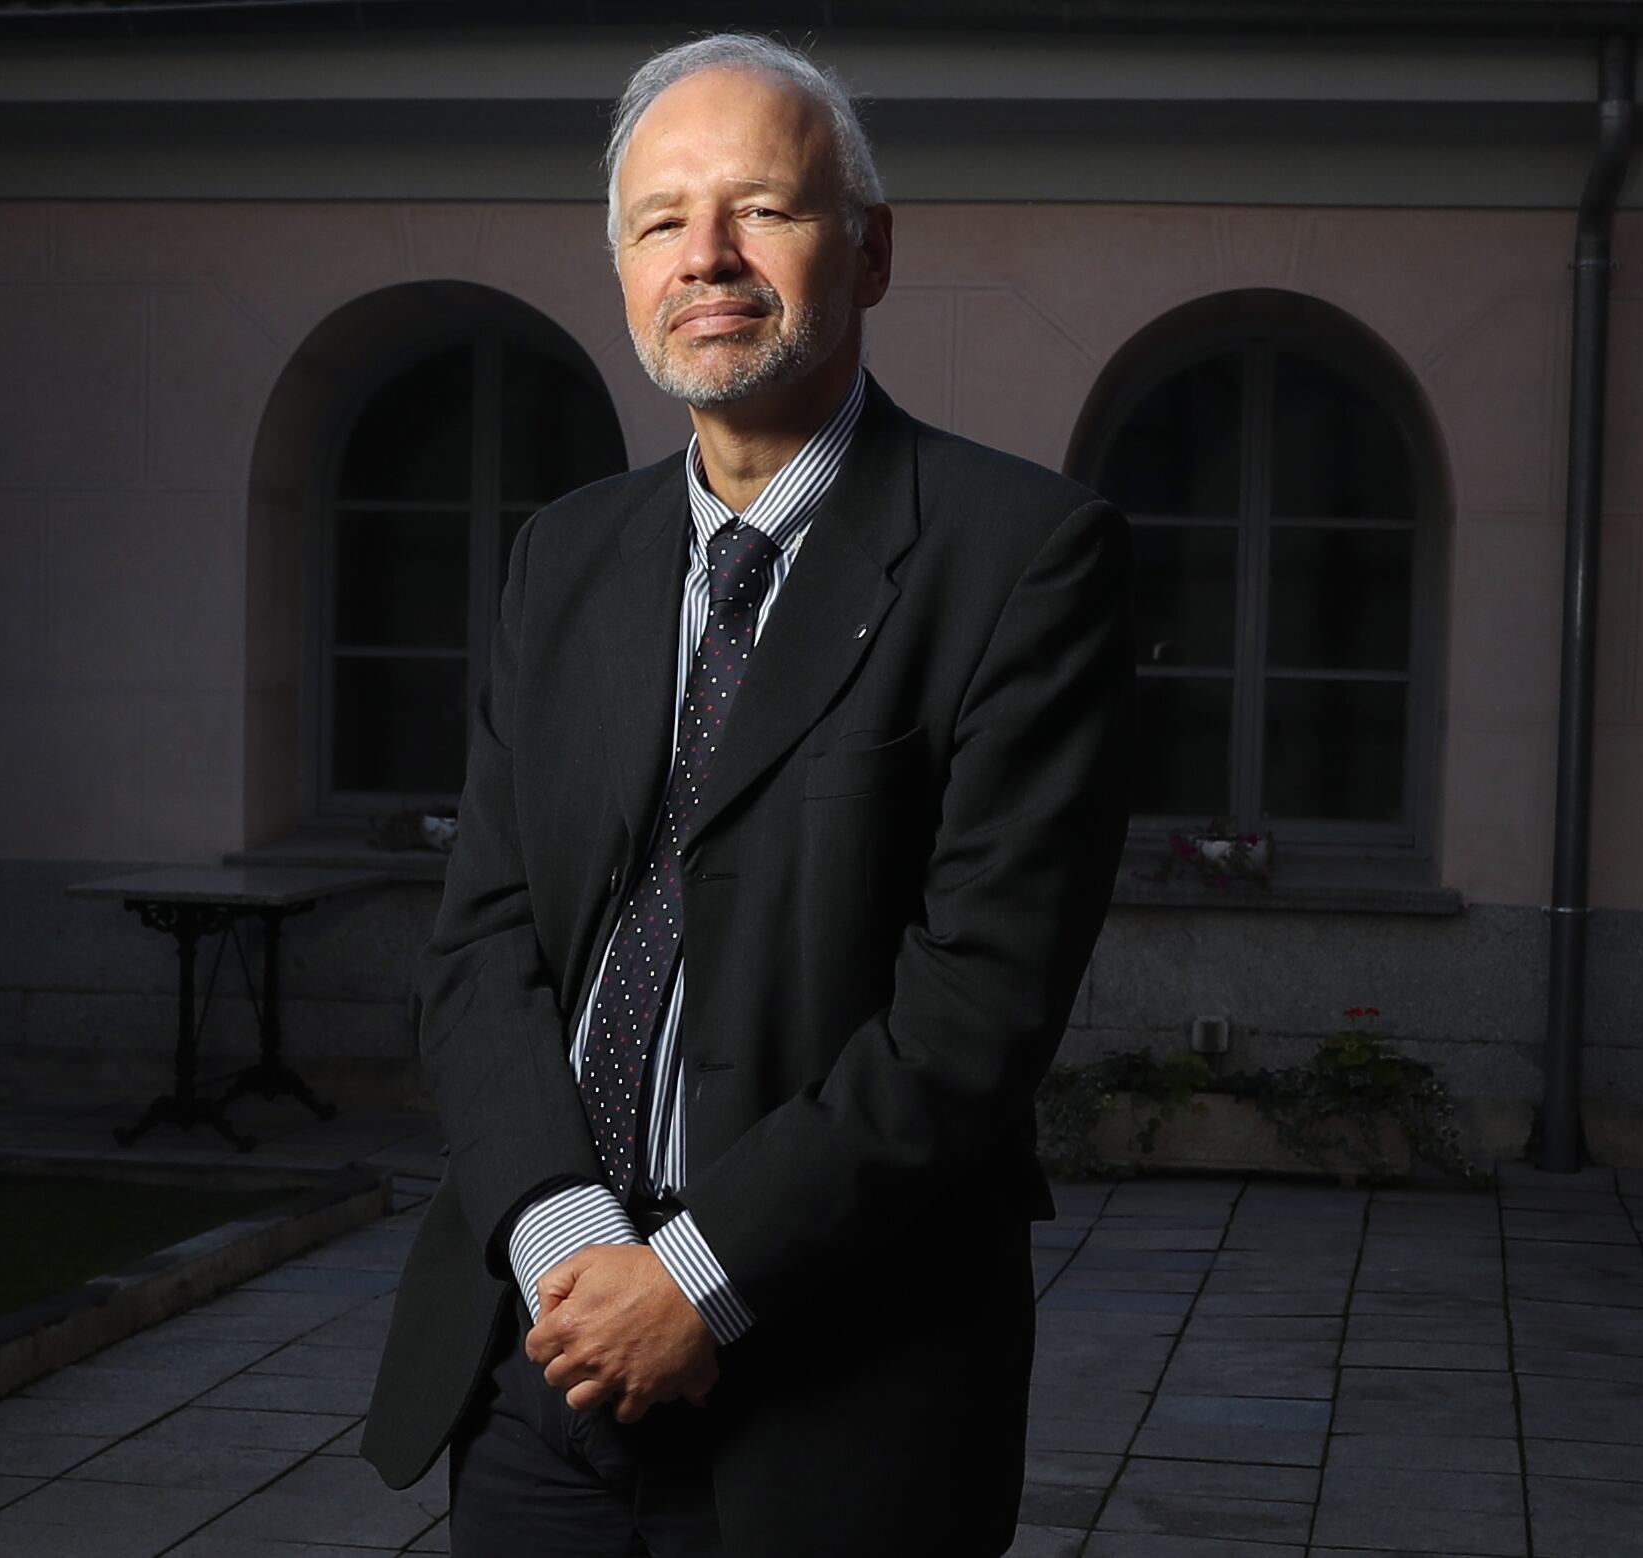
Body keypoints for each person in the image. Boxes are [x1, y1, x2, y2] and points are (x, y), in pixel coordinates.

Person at [359, 31, 1133, 1558]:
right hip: (543, 1342)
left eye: (761, 209)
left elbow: (975, 1003)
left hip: (839, 1371)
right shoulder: (562, 557)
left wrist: (692, 1277)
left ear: (871, 248)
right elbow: (483, 946)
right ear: (624, 268)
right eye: (659, 222)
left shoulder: (1023, 556)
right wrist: (577, 1250)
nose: (704, 256)